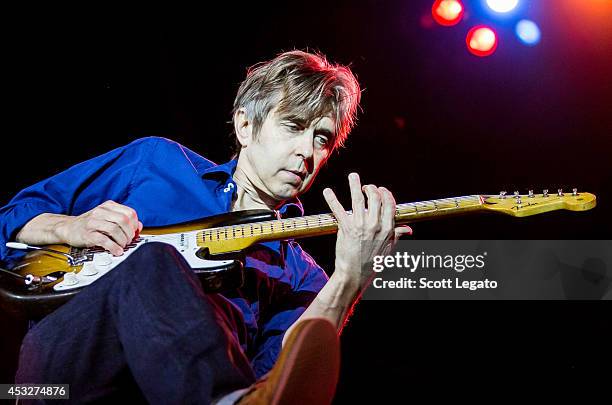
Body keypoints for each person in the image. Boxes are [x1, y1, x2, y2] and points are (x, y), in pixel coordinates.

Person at [0, 50, 411, 404]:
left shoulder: (304, 275)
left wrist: (349, 280)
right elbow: (11, 217)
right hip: (62, 376)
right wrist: (70, 228)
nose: (307, 151)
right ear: (245, 126)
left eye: (322, 139)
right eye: (293, 126)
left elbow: (273, 382)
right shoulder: (157, 161)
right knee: (152, 261)